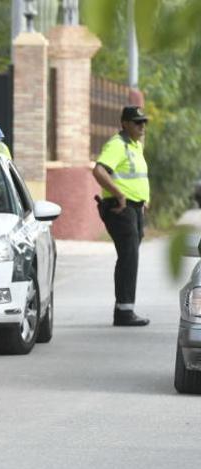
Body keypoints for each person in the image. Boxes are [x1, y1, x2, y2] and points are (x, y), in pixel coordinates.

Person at [91, 106, 151, 326]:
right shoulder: (117, 145)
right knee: (129, 257)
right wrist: (120, 195)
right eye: (137, 122)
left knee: (129, 257)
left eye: (144, 122)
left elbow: (135, 176)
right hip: (120, 208)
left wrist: (143, 199)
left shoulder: (135, 145)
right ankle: (124, 312)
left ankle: (124, 309)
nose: (142, 126)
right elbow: (99, 170)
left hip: (134, 209)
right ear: (124, 123)